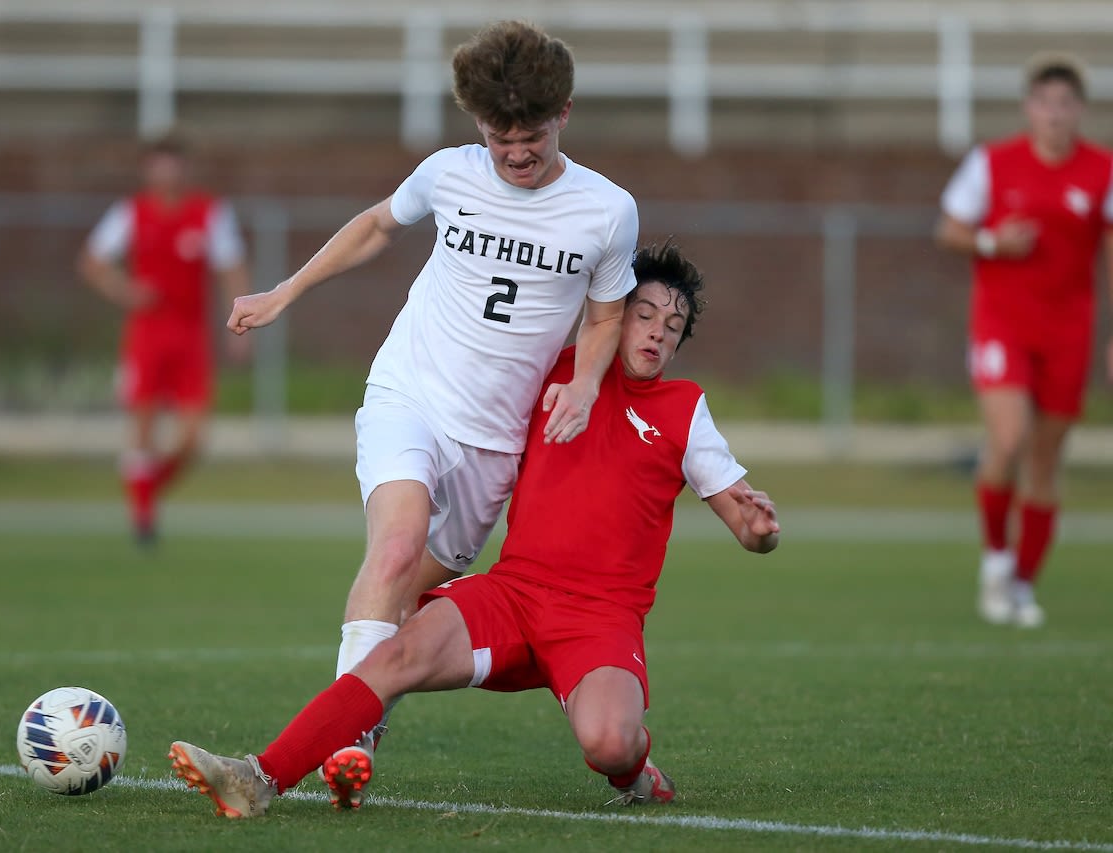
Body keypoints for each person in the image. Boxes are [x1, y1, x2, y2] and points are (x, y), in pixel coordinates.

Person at [167, 243, 782, 817]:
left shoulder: (683, 407)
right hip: (512, 595)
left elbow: (746, 525)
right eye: (643, 314)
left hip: (600, 618)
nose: (655, 332)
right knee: (396, 651)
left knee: (610, 743)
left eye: (671, 327)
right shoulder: (547, 373)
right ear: (613, 315)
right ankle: (258, 778)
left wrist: (759, 527)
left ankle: (636, 775)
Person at [223, 19, 640, 769]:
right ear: (477, 122)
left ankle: (355, 715)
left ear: (565, 114)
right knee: (393, 548)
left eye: (532, 137)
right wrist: (288, 290)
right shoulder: (448, 172)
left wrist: (582, 382)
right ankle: (347, 742)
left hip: (494, 441)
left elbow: (607, 315)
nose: (514, 153)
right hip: (409, 392)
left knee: (405, 594)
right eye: (497, 136)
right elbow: (379, 225)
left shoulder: (607, 209)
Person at [935, 53, 1113, 628]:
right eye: (1045, 103)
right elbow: (950, 229)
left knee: (1045, 458)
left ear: (1079, 110)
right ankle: (995, 559)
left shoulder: (1102, 170)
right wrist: (992, 244)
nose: (1055, 115)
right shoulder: (992, 163)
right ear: (1029, 107)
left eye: (1066, 104)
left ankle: (1022, 584)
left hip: (1069, 330)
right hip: (1002, 324)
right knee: (1007, 440)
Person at [78, 134, 250, 545]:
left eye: (174, 163)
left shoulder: (208, 212)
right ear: (148, 169)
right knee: (142, 426)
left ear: (184, 168)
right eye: (159, 163)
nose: (167, 172)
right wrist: (126, 291)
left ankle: (144, 491)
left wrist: (241, 319)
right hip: (146, 334)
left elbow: (232, 267)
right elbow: (93, 261)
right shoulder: (131, 212)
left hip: (191, 336)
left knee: (194, 437)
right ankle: (143, 519)